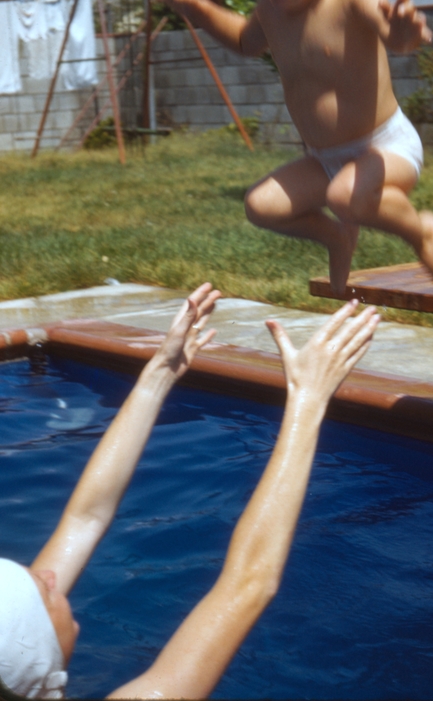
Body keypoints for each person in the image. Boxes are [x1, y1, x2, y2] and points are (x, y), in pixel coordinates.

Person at [0, 284, 379, 699]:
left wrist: (159, 373)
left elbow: (84, 518)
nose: (51, 574)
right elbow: (249, 583)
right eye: (44, 589)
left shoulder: (19, 657)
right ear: (38, 651)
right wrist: (308, 400)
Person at [147, 0, 433, 296]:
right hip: (325, 159)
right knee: (262, 206)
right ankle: (336, 236)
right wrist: (193, 6)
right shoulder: (270, 14)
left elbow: (393, 34)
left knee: (345, 196)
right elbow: (242, 39)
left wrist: (405, 34)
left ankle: (422, 231)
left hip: (384, 147)